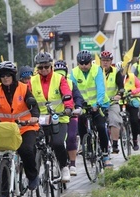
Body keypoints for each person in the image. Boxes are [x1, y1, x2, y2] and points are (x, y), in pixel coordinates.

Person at [0, 61, 40, 190]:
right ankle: (4, 191)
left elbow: (33, 105)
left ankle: (33, 176)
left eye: (8, 75)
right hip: (7, 129)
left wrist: (34, 117)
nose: (5, 78)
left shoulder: (23, 88)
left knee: (26, 150)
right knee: (3, 157)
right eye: (2, 76)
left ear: (13, 76)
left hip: (25, 127)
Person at [29, 52, 74, 182]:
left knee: (58, 143)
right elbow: (25, 98)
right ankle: (34, 172)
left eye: (46, 67)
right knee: (34, 145)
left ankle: (64, 166)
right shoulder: (32, 81)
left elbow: (67, 94)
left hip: (58, 118)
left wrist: (68, 108)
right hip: (40, 119)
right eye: (40, 68)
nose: (43, 70)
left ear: (51, 66)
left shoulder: (59, 79)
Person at [70, 50, 113, 168]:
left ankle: (105, 155)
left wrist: (97, 104)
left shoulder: (97, 70)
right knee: (82, 129)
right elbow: (72, 90)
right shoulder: (74, 73)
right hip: (82, 106)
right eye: (81, 64)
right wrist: (76, 105)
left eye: (86, 63)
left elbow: (100, 88)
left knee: (100, 127)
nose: (84, 66)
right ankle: (88, 149)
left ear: (90, 62)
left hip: (97, 105)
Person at [53, 60, 84, 176]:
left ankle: (72, 164)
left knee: (71, 137)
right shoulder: (49, 85)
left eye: (62, 73)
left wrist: (79, 107)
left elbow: (78, 97)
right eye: (57, 73)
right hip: (54, 117)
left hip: (70, 116)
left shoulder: (70, 83)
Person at [116, 62, 140, 150]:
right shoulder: (115, 79)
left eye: (123, 70)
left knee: (134, 120)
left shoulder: (132, 76)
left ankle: (135, 139)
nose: (122, 73)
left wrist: (132, 92)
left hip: (131, 100)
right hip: (120, 102)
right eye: (120, 71)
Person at [100, 51, 124, 154]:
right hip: (99, 103)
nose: (105, 63)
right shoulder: (96, 72)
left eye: (107, 61)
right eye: (103, 60)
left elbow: (121, 87)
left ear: (111, 62)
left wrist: (119, 95)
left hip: (111, 102)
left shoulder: (116, 72)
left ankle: (115, 144)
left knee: (114, 120)